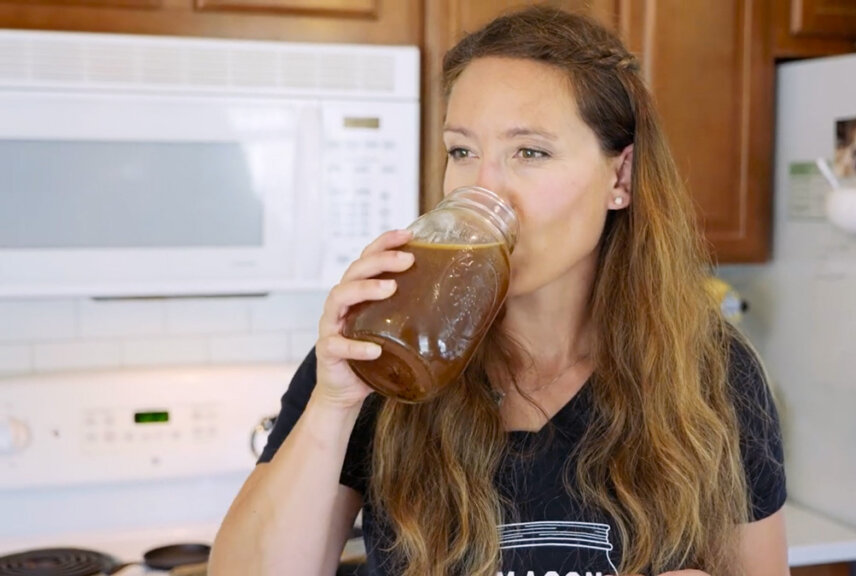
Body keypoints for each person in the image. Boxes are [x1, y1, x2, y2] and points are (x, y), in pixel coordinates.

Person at [210, 5, 788, 576]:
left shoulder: (710, 371)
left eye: (529, 152)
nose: (485, 189)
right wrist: (333, 405)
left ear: (620, 177)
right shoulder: (380, 352)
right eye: (462, 151)